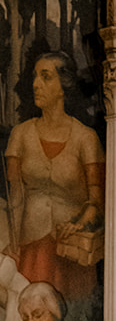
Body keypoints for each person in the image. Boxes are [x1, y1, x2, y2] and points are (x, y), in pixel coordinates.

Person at [5, 51, 105, 301]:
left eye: (46, 77)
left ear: (64, 86)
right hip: (31, 249)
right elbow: (13, 195)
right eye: (35, 77)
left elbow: (97, 201)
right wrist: (13, 243)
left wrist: (78, 224)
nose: (36, 84)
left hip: (71, 252)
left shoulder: (86, 138)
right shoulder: (20, 134)